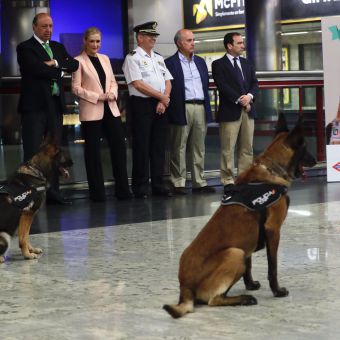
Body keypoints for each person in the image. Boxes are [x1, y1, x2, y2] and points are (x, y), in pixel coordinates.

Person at [17, 13, 79, 205]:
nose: (48, 30)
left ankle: (53, 193)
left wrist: (56, 63)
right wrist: (58, 69)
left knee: (54, 151)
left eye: (51, 26)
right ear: (34, 27)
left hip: (54, 105)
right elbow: (36, 69)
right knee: (33, 152)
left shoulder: (57, 47)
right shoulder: (25, 48)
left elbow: (74, 64)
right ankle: (30, 195)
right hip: (34, 107)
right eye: (44, 26)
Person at [72, 27, 132, 202]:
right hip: (91, 111)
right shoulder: (78, 61)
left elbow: (113, 81)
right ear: (84, 41)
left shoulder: (105, 59)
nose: (95, 44)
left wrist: (112, 93)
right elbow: (76, 88)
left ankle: (123, 190)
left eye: (98, 41)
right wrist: (98, 97)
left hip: (111, 109)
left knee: (119, 149)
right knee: (92, 154)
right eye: (92, 41)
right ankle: (97, 194)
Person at [122, 21, 173, 198]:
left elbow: (167, 81)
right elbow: (137, 84)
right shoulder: (132, 58)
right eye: (150, 36)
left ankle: (158, 185)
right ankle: (140, 187)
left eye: (155, 36)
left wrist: (163, 100)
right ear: (140, 37)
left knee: (159, 147)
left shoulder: (158, 58)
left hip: (160, 104)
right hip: (142, 105)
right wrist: (161, 97)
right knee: (142, 147)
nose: (154, 38)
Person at [165, 29, 215, 195]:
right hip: (181, 107)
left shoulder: (200, 62)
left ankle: (199, 182)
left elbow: (205, 85)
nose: (193, 43)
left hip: (200, 106)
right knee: (178, 146)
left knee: (198, 147)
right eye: (189, 40)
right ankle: (178, 182)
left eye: (193, 40)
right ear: (179, 43)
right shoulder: (169, 63)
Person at [212, 32, 259, 189]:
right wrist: (241, 100)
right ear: (229, 46)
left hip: (248, 110)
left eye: (242, 42)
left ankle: (244, 177)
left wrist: (249, 97)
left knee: (247, 147)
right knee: (228, 147)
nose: (242, 45)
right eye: (239, 43)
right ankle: (228, 180)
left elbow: (254, 83)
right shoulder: (218, 64)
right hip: (230, 111)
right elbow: (223, 86)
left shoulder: (247, 63)